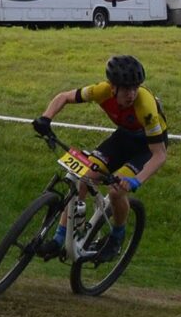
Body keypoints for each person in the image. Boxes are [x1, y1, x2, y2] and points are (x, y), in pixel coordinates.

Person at [31, 55, 168, 262]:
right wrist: (46, 118)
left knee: (116, 191)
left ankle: (116, 238)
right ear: (112, 87)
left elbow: (159, 155)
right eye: (126, 88)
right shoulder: (101, 91)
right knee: (86, 176)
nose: (131, 94)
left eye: (135, 87)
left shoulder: (146, 108)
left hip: (147, 146)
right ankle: (60, 239)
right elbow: (64, 97)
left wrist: (136, 181)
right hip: (123, 136)